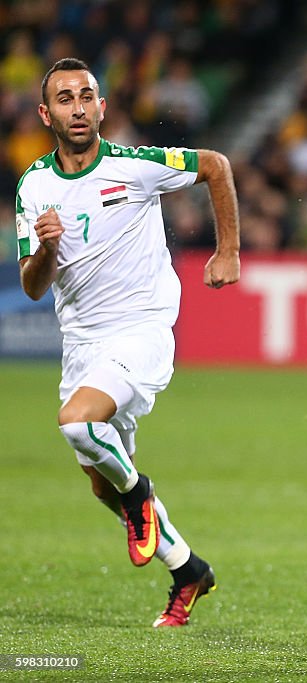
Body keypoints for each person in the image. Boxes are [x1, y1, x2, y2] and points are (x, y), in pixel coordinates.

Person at [16, 58, 240, 628]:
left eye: (87, 96)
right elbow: (35, 287)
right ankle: (189, 570)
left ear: (102, 106)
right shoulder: (34, 187)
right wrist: (44, 249)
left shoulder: (135, 165)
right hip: (82, 343)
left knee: (77, 424)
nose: (78, 107)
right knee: (100, 483)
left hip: (141, 327)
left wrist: (228, 250)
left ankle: (141, 494)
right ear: (47, 114)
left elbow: (215, 166)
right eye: (65, 99)